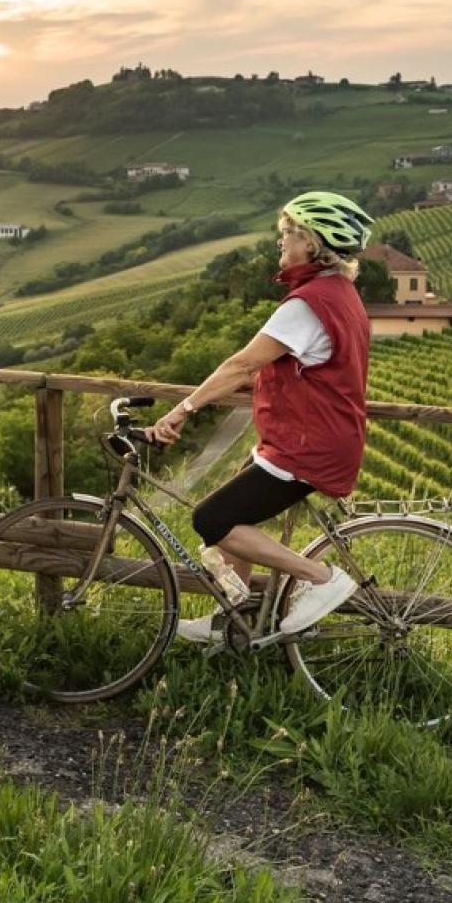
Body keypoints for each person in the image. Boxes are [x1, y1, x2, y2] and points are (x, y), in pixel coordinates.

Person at [144, 191, 376, 644]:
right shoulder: (341, 294)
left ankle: (320, 578)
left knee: (213, 519)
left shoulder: (306, 305)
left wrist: (183, 409)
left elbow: (241, 364)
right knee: (235, 515)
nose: (281, 243)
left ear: (312, 243)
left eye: (288, 234)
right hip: (313, 438)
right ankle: (232, 620)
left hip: (307, 446)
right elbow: (306, 369)